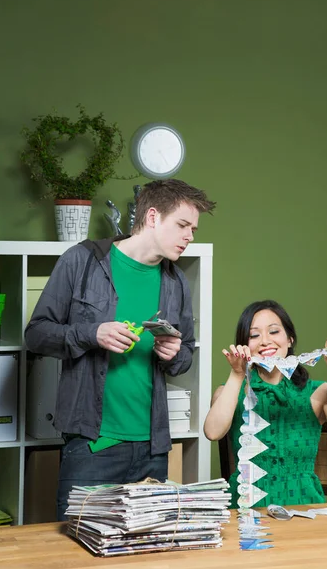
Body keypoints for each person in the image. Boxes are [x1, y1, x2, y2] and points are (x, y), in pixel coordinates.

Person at [25, 179, 216, 520]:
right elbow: (37, 334)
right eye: (183, 225)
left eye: (193, 229)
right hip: (92, 447)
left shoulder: (177, 282)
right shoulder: (82, 261)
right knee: (78, 550)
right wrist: (91, 333)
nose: (190, 236)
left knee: (144, 551)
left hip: (153, 449)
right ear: (153, 216)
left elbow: (185, 353)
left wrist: (175, 354)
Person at [203, 300, 327, 508]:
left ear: (290, 339)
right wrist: (237, 374)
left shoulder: (318, 393)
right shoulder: (229, 391)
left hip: (303, 506)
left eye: (274, 332)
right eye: (254, 335)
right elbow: (212, 432)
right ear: (244, 346)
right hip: (247, 509)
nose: (265, 341)